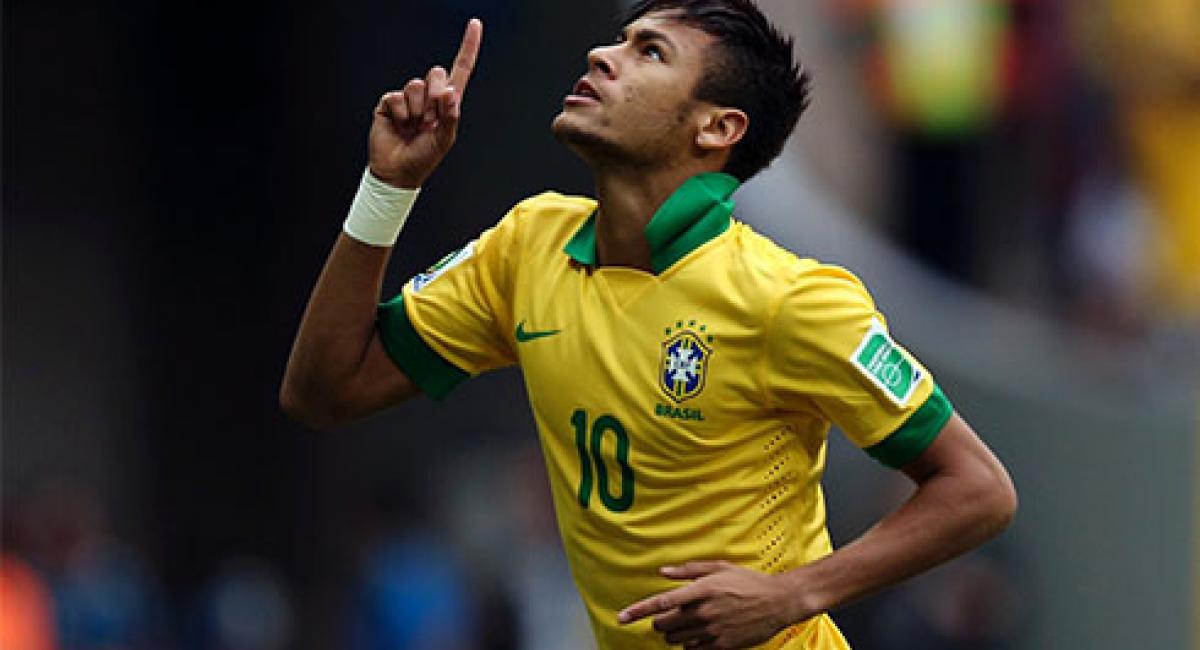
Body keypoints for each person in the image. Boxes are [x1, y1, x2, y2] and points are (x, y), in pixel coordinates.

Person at [280, 1, 1018, 648]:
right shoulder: (527, 249)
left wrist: (794, 593)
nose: (603, 55)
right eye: (620, 40)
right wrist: (389, 187)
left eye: (650, 52)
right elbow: (324, 390)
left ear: (717, 128)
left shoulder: (788, 300)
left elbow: (978, 488)